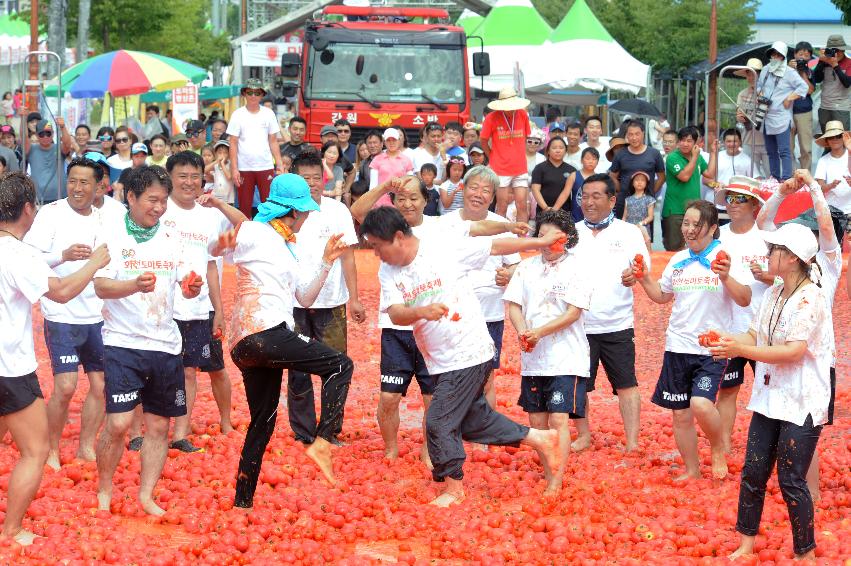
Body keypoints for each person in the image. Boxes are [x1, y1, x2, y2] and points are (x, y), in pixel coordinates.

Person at [363, 205, 564, 506]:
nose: (376, 254)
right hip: (439, 359)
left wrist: (538, 243)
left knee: (439, 421)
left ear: (398, 237)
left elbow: (493, 245)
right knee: (471, 422)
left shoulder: (441, 248)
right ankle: (540, 438)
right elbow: (395, 312)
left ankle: (453, 488)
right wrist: (420, 311)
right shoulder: (388, 271)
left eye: (378, 247)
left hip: (469, 350)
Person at [212, 174, 354, 505]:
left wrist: (326, 262)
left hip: (250, 344)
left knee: (262, 423)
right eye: (304, 212)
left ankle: (242, 502)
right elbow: (216, 246)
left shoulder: (288, 247)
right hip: (264, 332)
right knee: (340, 365)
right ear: (291, 211)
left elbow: (304, 297)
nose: (307, 218)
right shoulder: (256, 232)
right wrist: (221, 243)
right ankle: (321, 442)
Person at [0, 171, 109, 545]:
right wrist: (93, 263)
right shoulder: (17, 252)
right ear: (28, 210)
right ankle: (12, 529)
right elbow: (60, 291)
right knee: (34, 451)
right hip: (9, 368)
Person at [710, 223, 830, 562]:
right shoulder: (774, 292)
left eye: (774, 250)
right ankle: (746, 543)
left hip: (802, 400)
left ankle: (805, 553)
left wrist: (742, 349)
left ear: (792, 258)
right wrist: (728, 342)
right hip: (769, 397)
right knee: (753, 472)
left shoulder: (811, 297)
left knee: (792, 479)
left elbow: (793, 351)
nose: (767, 255)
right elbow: (753, 334)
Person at [93, 166, 203, 516]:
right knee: (120, 423)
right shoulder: (111, 236)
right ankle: (105, 490)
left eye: (163, 201)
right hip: (122, 343)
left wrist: (191, 287)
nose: (159, 207)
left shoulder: (172, 238)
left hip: (165, 345)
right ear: (131, 198)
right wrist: (132, 286)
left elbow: (185, 286)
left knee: (159, 425)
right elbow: (100, 286)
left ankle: (146, 495)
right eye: (152, 200)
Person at [632, 200, 752, 480]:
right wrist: (642, 278)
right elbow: (662, 296)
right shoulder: (677, 259)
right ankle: (692, 470)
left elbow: (745, 299)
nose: (689, 229)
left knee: (701, 404)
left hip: (711, 349)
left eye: (696, 224)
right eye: (685, 222)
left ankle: (719, 448)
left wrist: (725, 277)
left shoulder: (724, 257)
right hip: (677, 346)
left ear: (712, 228)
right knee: (681, 414)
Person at [757, 169, 845, 505]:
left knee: (806, 429)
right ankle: (798, 491)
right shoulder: (785, 266)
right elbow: (763, 223)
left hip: (818, 359)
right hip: (782, 354)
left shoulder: (829, 263)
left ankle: (811, 494)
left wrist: (812, 187)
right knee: (783, 423)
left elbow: (824, 225)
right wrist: (781, 193)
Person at [22, 157, 115, 470]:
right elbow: (30, 260)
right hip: (61, 313)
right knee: (64, 387)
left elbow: (113, 262)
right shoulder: (50, 214)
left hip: (97, 315)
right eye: (73, 181)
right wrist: (61, 256)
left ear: (98, 186)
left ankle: (86, 445)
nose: (77, 188)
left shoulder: (106, 219)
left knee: (101, 386)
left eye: (84, 182)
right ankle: (51, 448)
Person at [154, 151, 245, 453]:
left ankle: (181, 432)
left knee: (190, 370)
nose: (189, 182)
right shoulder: (157, 210)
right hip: (160, 305)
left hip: (196, 307)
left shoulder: (210, 215)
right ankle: (144, 431)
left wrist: (218, 310)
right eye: (182, 176)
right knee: (154, 369)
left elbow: (211, 265)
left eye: (195, 176)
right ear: (169, 177)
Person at [504, 209, 591, 494]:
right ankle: (548, 468)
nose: (547, 242)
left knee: (559, 418)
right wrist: (522, 331)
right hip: (534, 359)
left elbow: (573, 313)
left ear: (566, 239)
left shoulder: (578, 267)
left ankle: (556, 478)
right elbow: (514, 304)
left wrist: (540, 332)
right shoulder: (527, 268)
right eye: (542, 235)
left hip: (566, 357)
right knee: (538, 421)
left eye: (553, 236)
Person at [285, 154, 364, 449]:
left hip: (331, 303)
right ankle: (303, 431)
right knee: (298, 370)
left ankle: (329, 430)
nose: (312, 184)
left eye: (316, 177)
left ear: (324, 178)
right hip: (294, 304)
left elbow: (348, 256)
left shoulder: (337, 211)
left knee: (336, 366)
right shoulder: (286, 212)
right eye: (304, 178)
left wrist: (354, 298)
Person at [571, 174, 647, 453]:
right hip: (578, 323)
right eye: (584, 196)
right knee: (579, 384)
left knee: (626, 384)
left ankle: (633, 441)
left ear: (612, 200)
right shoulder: (571, 231)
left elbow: (642, 270)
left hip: (617, 324)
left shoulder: (629, 233)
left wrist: (634, 276)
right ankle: (583, 435)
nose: (588, 202)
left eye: (595, 196)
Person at [710, 176, 773, 455]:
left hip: (764, 329)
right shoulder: (717, 236)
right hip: (728, 326)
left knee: (771, 390)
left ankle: (771, 448)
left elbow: (792, 278)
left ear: (755, 205)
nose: (733, 204)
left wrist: (770, 277)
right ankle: (723, 447)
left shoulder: (769, 239)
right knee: (727, 391)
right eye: (730, 198)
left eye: (740, 199)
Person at [226, 78, 286, 219]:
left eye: (257, 93)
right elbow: (233, 143)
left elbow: (273, 141)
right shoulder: (237, 114)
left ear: (261, 95)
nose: (253, 96)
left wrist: (280, 164)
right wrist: (234, 168)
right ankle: (245, 236)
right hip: (244, 167)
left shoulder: (268, 114)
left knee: (269, 204)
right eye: (250, 92)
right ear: (244, 94)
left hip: (265, 165)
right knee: (244, 206)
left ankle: (270, 232)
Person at [756, 41, 809, 180]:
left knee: (785, 151)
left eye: (778, 55)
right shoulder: (766, 69)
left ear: (784, 57)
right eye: (773, 54)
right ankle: (774, 178)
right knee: (771, 151)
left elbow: (803, 87)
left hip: (782, 117)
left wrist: (790, 98)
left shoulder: (790, 72)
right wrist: (759, 95)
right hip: (766, 116)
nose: (775, 57)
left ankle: (786, 179)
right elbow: (759, 86)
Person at [480, 88, 533, 225]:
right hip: (500, 168)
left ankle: (522, 237)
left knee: (522, 205)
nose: (511, 109)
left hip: (520, 167)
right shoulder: (491, 117)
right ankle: (501, 237)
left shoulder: (522, 114)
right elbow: (483, 140)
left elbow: (526, 136)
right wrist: (491, 156)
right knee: (502, 206)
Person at [661, 126, 719, 251]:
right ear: (678, 142)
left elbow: (709, 174)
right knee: (674, 249)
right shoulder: (672, 157)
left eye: (689, 141)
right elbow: (684, 176)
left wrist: (713, 152)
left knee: (695, 247)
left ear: (695, 143)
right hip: (675, 211)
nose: (685, 144)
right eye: (682, 140)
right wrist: (694, 157)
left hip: (694, 211)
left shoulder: (697, 157)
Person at [609, 120, 665, 220]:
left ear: (643, 133)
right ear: (626, 135)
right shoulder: (620, 154)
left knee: (645, 233)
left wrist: (650, 191)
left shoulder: (654, 153)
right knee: (624, 233)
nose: (634, 138)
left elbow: (661, 178)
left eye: (637, 134)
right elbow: (613, 176)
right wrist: (621, 189)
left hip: (646, 203)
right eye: (630, 134)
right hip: (624, 201)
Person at [735, 58, 770, 178]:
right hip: (748, 140)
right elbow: (739, 114)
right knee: (750, 175)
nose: (751, 77)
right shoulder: (742, 93)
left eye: (755, 74)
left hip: (767, 141)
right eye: (749, 74)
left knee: (771, 174)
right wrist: (740, 117)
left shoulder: (768, 93)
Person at [812, 34, 851, 131]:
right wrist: (821, 62)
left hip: (841, 108)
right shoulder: (825, 62)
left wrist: (835, 66)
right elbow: (817, 79)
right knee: (827, 141)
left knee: (841, 140)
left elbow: (847, 83)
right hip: (824, 107)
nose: (835, 54)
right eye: (833, 50)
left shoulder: (849, 63)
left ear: (843, 50)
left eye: (837, 50)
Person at [369, 128, 414, 207]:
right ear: (384, 142)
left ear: (399, 140)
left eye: (394, 140)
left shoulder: (406, 160)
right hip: (380, 203)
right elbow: (373, 185)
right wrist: (372, 203)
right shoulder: (377, 159)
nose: (391, 143)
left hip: (400, 203)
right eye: (388, 140)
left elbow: (411, 183)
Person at [813, 121, 851, 214]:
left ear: (844, 138)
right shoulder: (823, 161)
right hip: (832, 210)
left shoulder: (850, 154)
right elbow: (819, 189)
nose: (835, 139)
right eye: (831, 137)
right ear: (827, 140)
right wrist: (831, 185)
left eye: (838, 136)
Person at [530, 136, 575, 214]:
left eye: (561, 148)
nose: (558, 150)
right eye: (554, 148)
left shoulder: (571, 170)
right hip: (543, 211)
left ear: (565, 151)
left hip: (564, 211)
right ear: (548, 151)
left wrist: (554, 209)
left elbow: (567, 191)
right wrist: (546, 208)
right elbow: (535, 190)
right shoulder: (539, 168)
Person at [790, 42, 815, 171]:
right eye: (800, 54)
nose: (803, 57)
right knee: (788, 148)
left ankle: (806, 176)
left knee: (806, 147)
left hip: (804, 112)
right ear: (794, 55)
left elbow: (810, 90)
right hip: (787, 112)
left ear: (810, 58)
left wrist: (803, 73)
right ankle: (791, 176)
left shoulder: (810, 72)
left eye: (806, 55)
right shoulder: (786, 70)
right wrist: (790, 68)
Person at [28, 120, 64, 204]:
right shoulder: (31, 149)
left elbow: (67, 145)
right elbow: (24, 138)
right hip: (38, 199)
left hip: (59, 198)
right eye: (41, 134)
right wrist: (23, 118)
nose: (45, 137)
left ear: (53, 134)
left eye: (48, 133)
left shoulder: (59, 148)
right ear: (36, 135)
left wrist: (63, 127)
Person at [562, 147, 599, 223]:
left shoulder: (600, 179)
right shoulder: (574, 175)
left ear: (598, 162)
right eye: (588, 158)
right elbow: (565, 194)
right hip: (576, 217)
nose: (591, 161)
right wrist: (554, 209)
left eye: (594, 159)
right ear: (581, 160)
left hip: (594, 217)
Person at [623, 171, 656, 245]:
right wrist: (622, 227)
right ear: (632, 183)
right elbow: (624, 217)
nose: (639, 182)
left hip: (643, 229)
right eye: (637, 180)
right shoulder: (628, 199)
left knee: (644, 251)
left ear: (646, 183)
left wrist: (640, 224)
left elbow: (650, 217)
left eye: (642, 180)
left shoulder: (650, 199)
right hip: (629, 230)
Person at [209, 139, 234, 205]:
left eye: (225, 153)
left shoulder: (230, 164)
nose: (222, 155)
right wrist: (216, 161)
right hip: (216, 196)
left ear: (229, 154)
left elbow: (229, 177)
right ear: (215, 154)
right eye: (220, 153)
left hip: (228, 198)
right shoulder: (215, 165)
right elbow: (205, 170)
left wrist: (222, 164)